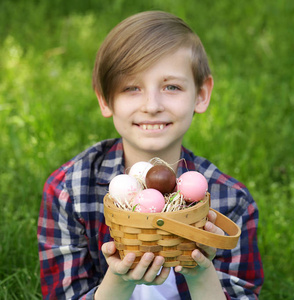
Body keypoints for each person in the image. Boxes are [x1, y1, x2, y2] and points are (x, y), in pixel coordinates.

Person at [37, 10, 263, 300]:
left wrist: (200, 271)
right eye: (132, 88)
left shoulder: (230, 202)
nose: (152, 105)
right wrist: (118, 281)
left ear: (201, 94)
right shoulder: (69, 192)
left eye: (171, 87)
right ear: (105, 100)